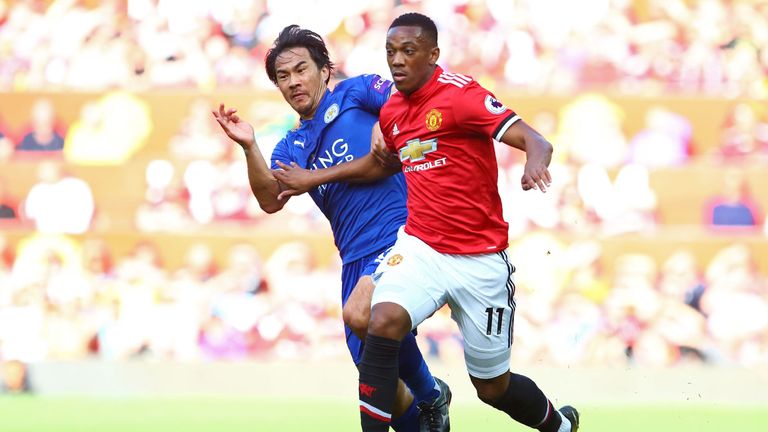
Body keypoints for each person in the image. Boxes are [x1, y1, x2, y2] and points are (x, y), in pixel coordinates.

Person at [273, 13, 579, 432]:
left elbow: (535, 139)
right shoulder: (393, 112)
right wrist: (381, 138)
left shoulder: (460, 95)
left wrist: (534, 163)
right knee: (369, 316)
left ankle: (559, 427)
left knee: (493, 388)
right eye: (390, 52)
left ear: (433, 54)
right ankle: (427, 399)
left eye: (408, 51)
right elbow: (378, 164)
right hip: (421, 247)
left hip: (479, 259)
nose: (397, 61)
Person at [212, 25, 449, 432]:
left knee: (366, 317)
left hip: (402, 234)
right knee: (378, 382)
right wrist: (250, 146)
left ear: (324, 70)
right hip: (353, 258)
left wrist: (383, 127)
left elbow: (402, 108)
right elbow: (270, 199)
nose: (293, 82)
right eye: (283, 77)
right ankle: (428, 422)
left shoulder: (357, 91)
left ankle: (431, 394)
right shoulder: (291, 146)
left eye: (301, 70)